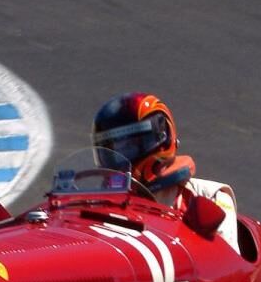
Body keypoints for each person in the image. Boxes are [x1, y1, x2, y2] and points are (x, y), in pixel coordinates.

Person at [91, 92, 239, 251]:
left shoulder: (210, 196)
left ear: (163, 136)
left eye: (132, 145)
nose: (122, 155)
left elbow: (226, 261)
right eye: (114, 148)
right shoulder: (95, 205)